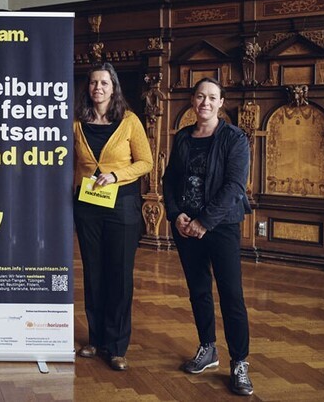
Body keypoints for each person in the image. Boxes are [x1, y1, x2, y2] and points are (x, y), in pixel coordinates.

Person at [162, 77, 254, 396]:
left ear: (221, 103)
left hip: (221, 226)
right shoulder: (183, 137)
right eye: (200, 96)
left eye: (212, 97)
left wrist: (204, 221)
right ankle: (208, 348)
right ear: (192, 100)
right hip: (186, 227)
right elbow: (170, 180)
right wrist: (176, 214)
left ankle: (239, 362)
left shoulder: (234, 138)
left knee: (231, 295)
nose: (205, 102)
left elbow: (234, 186)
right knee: (199, 291)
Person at [73, 62, 153, 371]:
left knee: (119, 275)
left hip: (122, 206)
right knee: (93, 273)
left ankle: (117, 346)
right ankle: (96, 339)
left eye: (104, 83)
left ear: (113, 87)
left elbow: (145, 162)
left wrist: (116, 175)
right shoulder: (77, 122)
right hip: (87, 206)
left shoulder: (129, 121)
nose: (98, 88)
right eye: (94, 83)